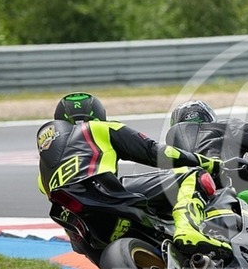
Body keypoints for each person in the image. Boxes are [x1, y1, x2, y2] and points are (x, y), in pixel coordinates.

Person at [37, 92, 231, 257]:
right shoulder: (102, 128)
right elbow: (157, 152)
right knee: (192, 175)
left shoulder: (43, 173)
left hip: (85, 236)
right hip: (107, 194)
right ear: (98, 115)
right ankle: (188, 229)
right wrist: (209, 163)